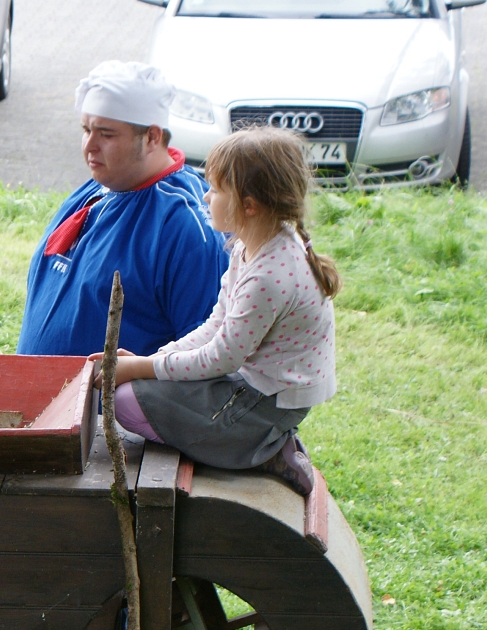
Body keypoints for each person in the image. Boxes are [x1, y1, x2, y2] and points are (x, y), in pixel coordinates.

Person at [94, 126, 336, 497]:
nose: (206, 197)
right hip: (254, 383)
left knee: (126, 404)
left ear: (249, 205)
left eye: (216, 189)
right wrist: (154, 359)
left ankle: (262, 451)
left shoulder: (269, 275)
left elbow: (221, 358)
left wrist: (141, 368)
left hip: (266, 402)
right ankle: (255, 441)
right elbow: (216, 325)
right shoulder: (251, 246)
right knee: (139, 390)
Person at [18, 60, 227, 358]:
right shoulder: (97, 188)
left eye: (106, 134)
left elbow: (205, 353)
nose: (89, 145)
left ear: (152, 137)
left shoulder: (185, 225)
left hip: (116, 391)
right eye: (86, 130)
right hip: (38, 385)